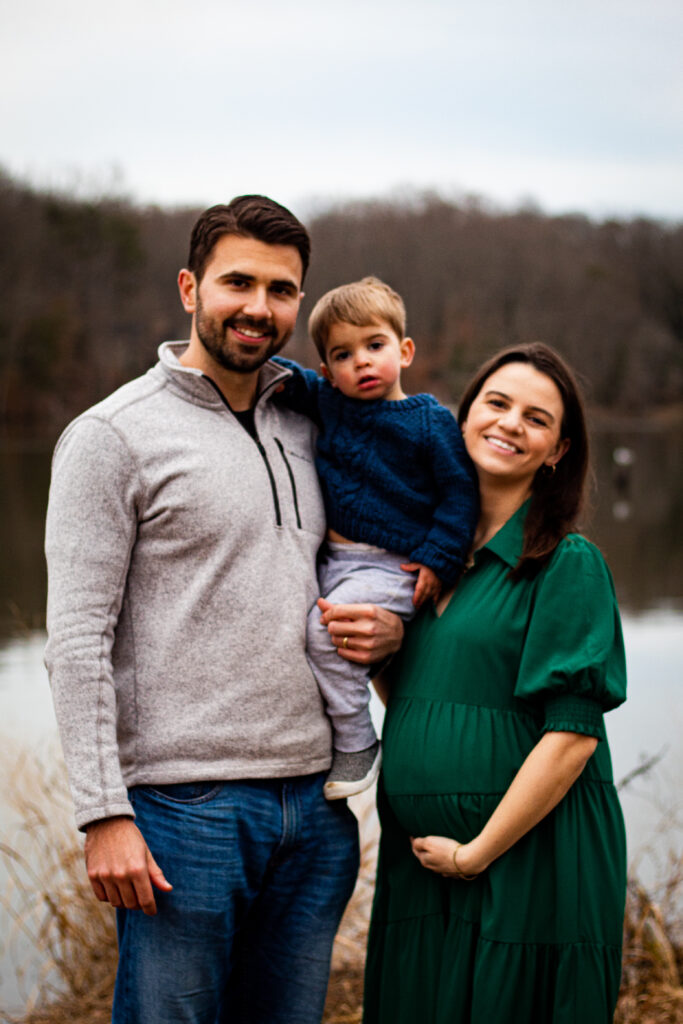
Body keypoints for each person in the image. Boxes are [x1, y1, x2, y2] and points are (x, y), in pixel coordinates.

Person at [44, 195, 403, 1024]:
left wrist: (387, 631)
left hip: (315, 810)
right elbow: (75, 641)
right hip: (183, 813)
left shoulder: (311, 421)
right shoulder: (113, 437)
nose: (258, 307)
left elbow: (362, 560)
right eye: (237, 282)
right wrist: (103, 813)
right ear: (188, 287)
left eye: (282, 290)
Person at [364, 343, 628, 1024]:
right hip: (424, 866)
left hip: (525, 860)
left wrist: (474, 854)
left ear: (557, 451)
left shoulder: (564, 565)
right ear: (463, 416)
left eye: (536, 419)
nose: (511, 424)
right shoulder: (426, 562)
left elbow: (571, 738)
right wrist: (376, 659)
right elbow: (425, 702)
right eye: (497, 404)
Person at [273, 277, 477, 800]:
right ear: (328, 371)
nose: (361, 362)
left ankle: (359, 742)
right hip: (335, 561)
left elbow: (459, 495)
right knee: (301, 632)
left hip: (391, 565)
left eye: (375, 346)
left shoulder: (429, 421)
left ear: (405, 351)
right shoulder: (330, 402)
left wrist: (438, 558)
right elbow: (290, 378)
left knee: (325, 634)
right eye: (343, 354)